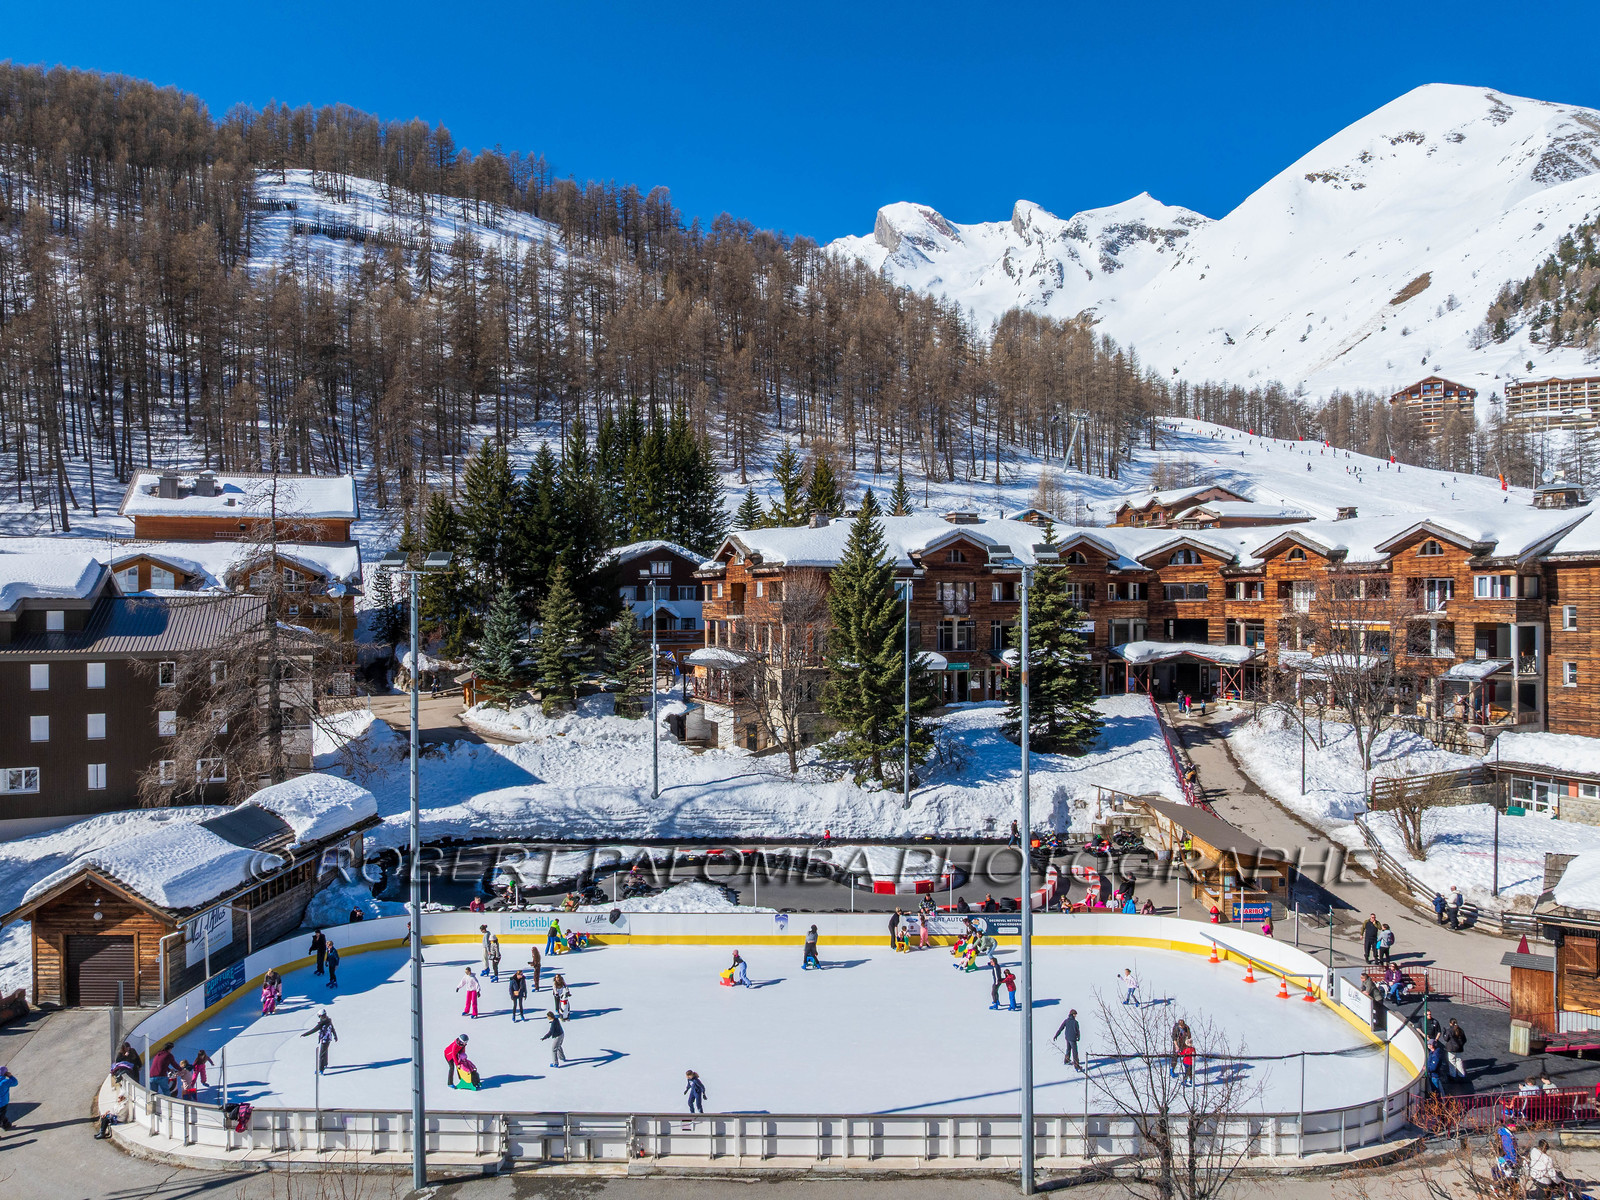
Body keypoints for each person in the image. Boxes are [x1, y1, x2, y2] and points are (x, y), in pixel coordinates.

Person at [302, 1011, 337, 1075]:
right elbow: (332, 1029)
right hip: (328, 1039)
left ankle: (321, 1069)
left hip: (325, 1040)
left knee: (321, 1055)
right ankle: (325, 1064)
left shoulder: (321, 1024)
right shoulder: (329, 1021)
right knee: (325, 1051)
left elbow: (313, 1030)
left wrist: (305, 1034)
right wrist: (335, 1036)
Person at [0, 1066, 15, 1132]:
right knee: (1, 1116)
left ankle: (6, 1126)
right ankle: (6, 1125)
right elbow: (15, 1082)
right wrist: (10, 1076)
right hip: (2, 1103)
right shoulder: (4, 1082)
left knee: (2, 1115)